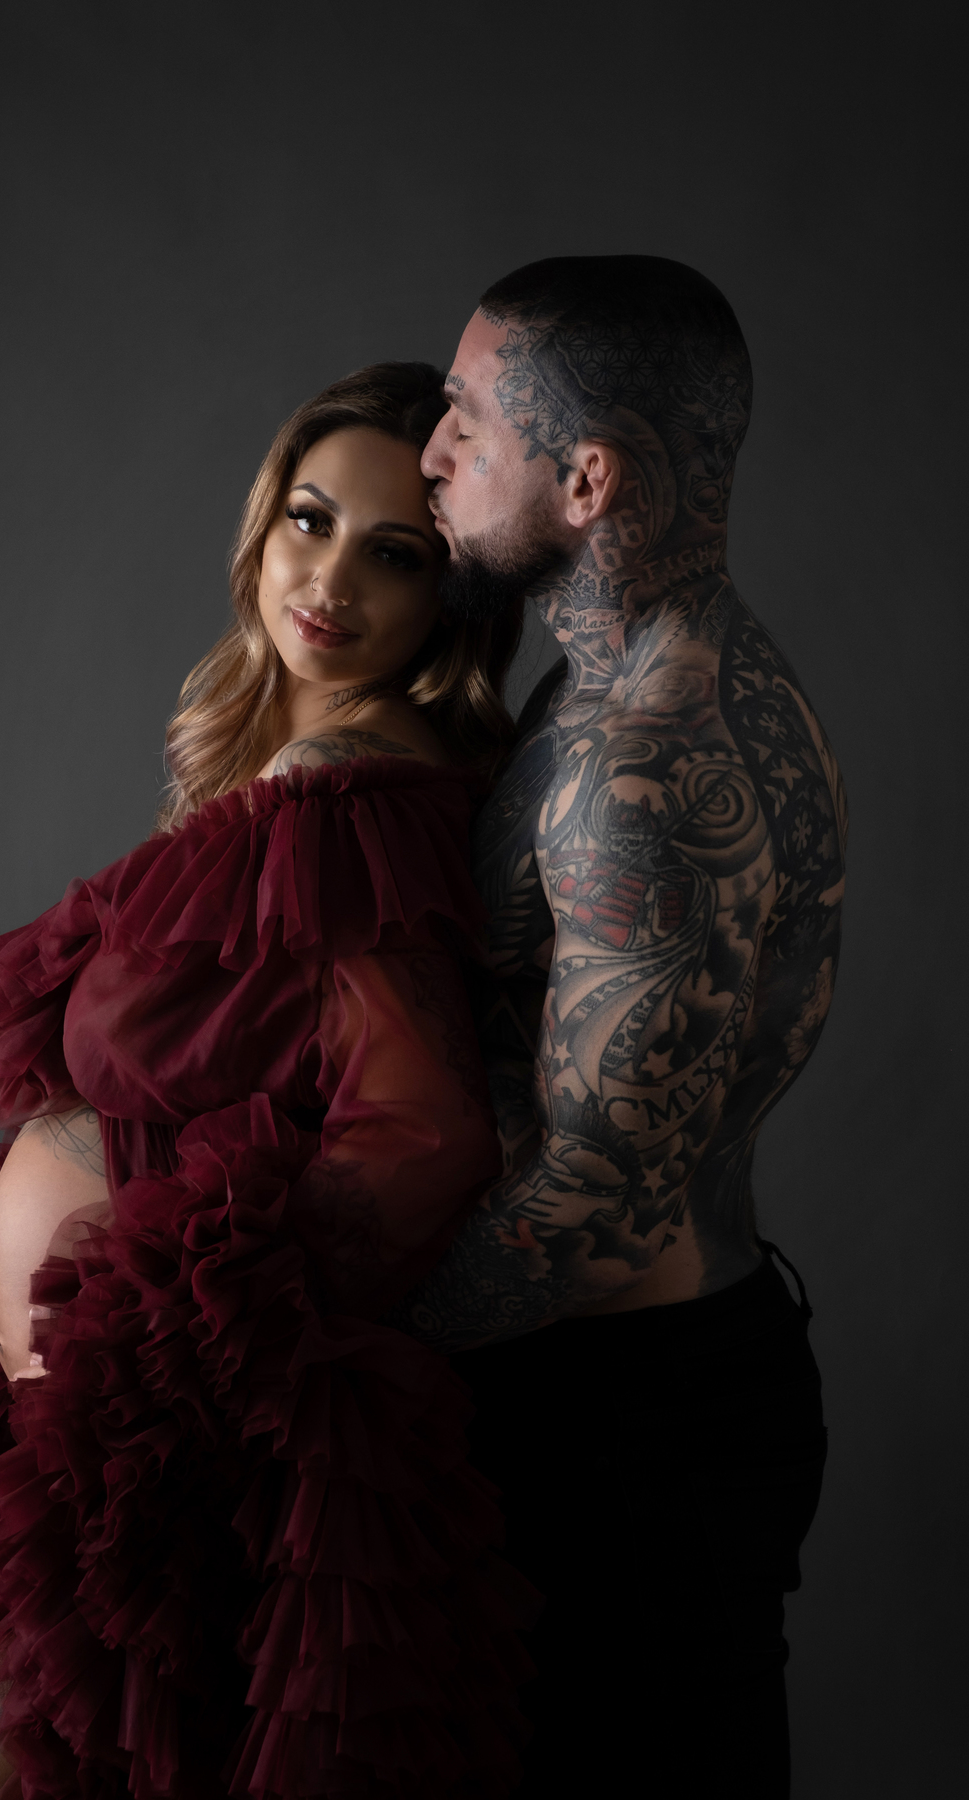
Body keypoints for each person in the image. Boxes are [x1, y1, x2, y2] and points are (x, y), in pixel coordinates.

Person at [0, 362, 535, 1799]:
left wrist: (164, 1347)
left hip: (172, 1454)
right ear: (263, 520)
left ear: (448, 601)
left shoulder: (349, 789)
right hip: (114, 1436)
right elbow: (210, 1091)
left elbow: (418, 1133)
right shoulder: (287, 763)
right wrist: (12, 1224)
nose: (330, 580)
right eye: (310, 520)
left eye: (394, 554)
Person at [382, 256, 846, 1798]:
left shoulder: (643, 769)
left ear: (587, 481)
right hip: (638, 1397)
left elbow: (594, 1203)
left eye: (467, 422)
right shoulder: (632, 681)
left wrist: (318, 1351)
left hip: (624, 1435)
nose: (430, 455)